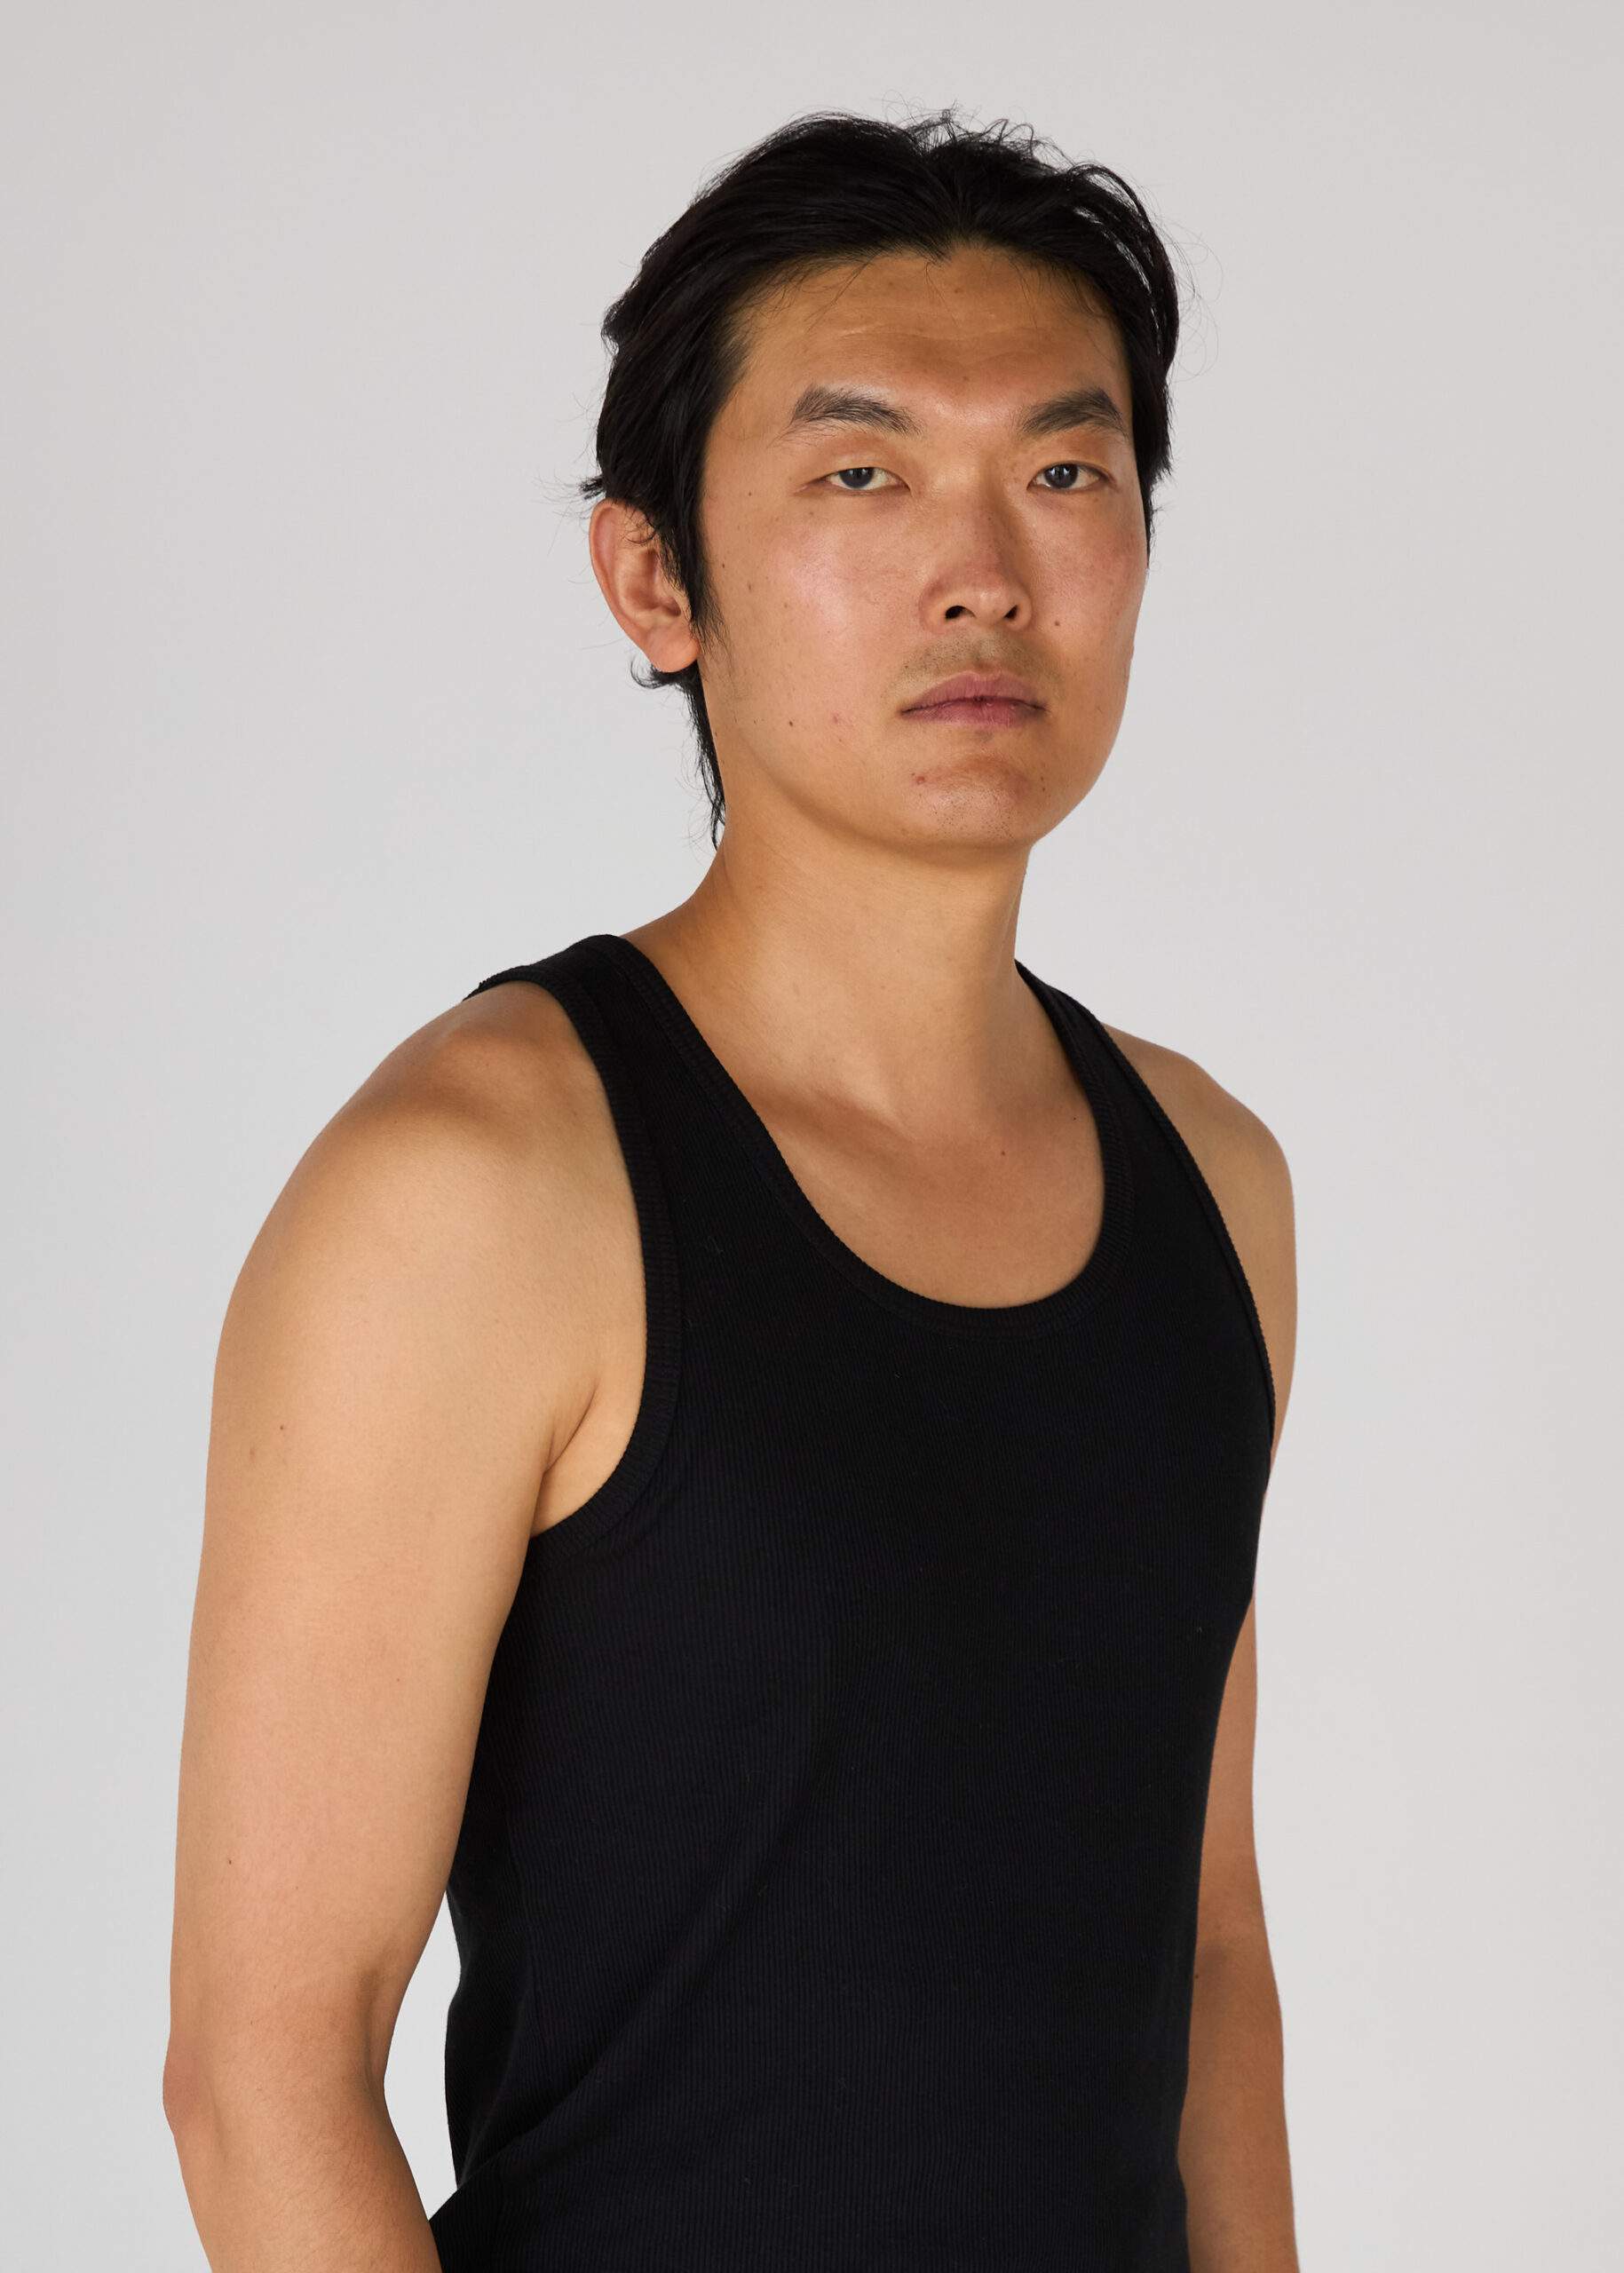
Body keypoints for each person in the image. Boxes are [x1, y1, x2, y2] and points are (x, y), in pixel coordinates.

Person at [164, 111, 1301, 2273]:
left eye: (1066, 473)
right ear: (654, 579)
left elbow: (1211, 1950)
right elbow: (264, 2064)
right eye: (862, 474)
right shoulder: (479, 1187)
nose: (984, 571)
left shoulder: (1214, 1184)